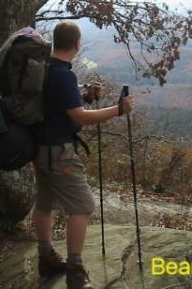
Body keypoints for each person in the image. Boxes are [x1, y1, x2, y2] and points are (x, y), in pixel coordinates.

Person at [33, 21, 135, 289]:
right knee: (82, 207)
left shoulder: (44, 68)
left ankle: (46, 257)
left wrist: (85, 97)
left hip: (39, 148)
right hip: (59, 152)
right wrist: (118, 110)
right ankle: (75, 274)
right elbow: (78, 117)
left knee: (45, 202)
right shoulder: (63, 75)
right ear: (77, 44)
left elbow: (57, 107)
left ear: (55, 42)